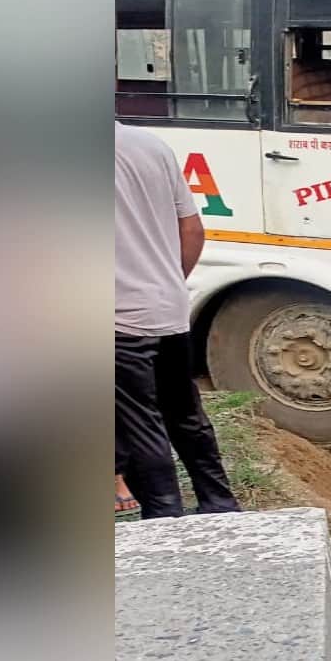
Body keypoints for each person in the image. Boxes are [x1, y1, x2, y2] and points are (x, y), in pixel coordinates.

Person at [115, 120, 239, 518]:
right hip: (168, 310)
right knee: (185, 414)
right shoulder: (151, 146)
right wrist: (168, 282)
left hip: (116, 319)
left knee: (140, 426)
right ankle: (220, 503)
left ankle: (165, 518)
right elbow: (192, 228)